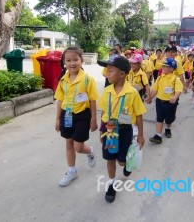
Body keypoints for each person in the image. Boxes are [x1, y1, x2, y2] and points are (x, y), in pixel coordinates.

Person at [97, 55, 146, 203]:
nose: (107, 73)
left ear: (122, 74)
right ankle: (112, 184)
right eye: (107, 70)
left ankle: (127, 164)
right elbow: (104, 112)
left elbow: (138, 114)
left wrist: (141, 135)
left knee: (121, 162)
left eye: (110, 70)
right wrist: (101, 130)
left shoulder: (132, 93)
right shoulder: (106, 91)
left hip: (125, 130)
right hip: (110, 130)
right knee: (110, 158)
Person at [54, 47, 99, 187]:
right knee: (69, 144)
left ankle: (90, 151)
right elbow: (60, 100)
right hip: (67, 114)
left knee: (78, 147)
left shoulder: (87, 79)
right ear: (64, 62)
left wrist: (93, 119)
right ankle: (72, 171)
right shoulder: (63, 80)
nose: (72, 63)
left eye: (75, 59)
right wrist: (57, 119)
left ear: (81, 60)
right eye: (68, 60)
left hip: (82, 116)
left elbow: (92, 100)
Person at [145, 57, 183, 143]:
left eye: (165, 66)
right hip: (160, 101)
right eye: (162, 66)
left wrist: (175, 97)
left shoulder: (175, 79)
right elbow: (155, 89)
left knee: (169, 119)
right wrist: (150, 97)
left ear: (171, 68)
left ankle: (168, 128)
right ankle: (158, 135)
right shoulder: (159, 78)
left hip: (171, 103)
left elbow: (178, 90)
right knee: (159, 118)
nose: (163, 67)